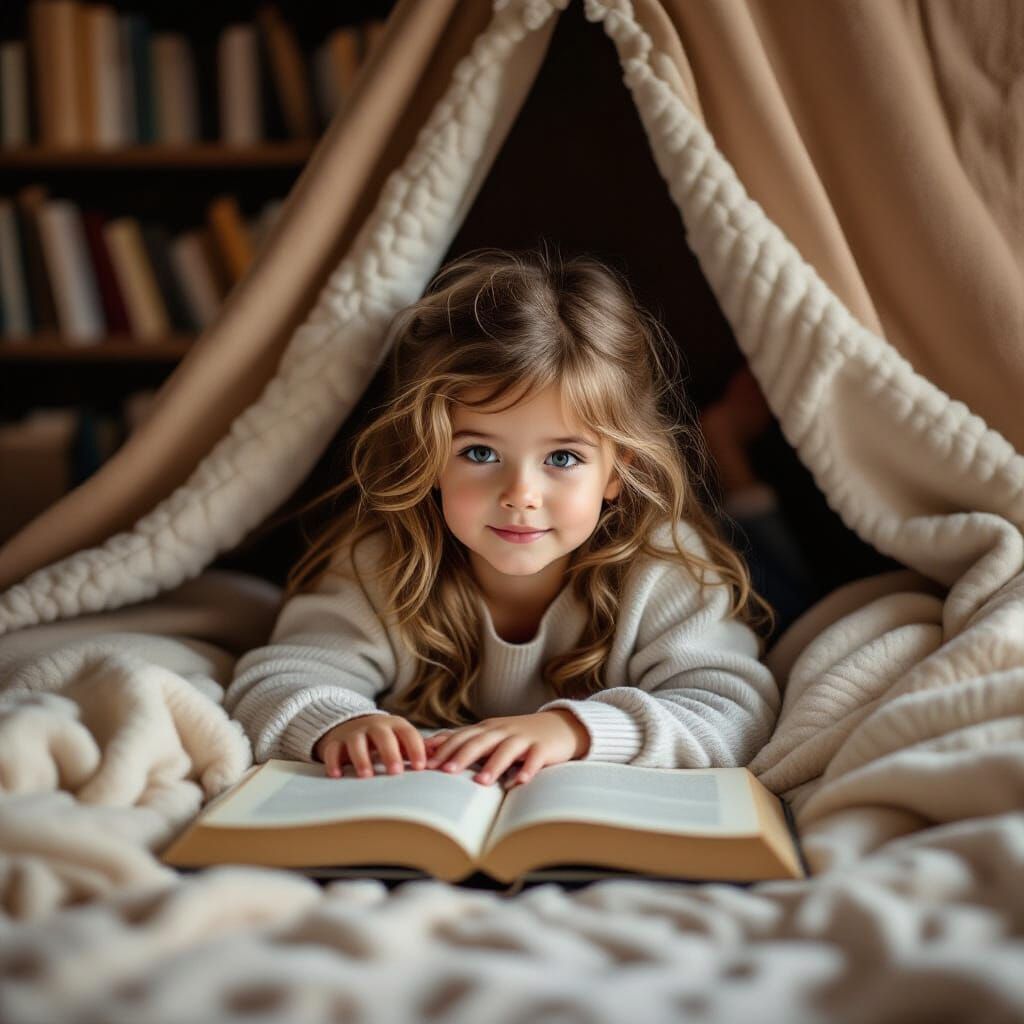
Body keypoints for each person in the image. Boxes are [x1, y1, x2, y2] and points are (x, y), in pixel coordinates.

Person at [224, 246, 780, 791]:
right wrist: (340, 722)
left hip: (756, 565)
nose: (520, 495)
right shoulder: (383, 559)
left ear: (616, 472)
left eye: (562, 458)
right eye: (480, 453)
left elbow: (735, 711)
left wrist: (572, 731)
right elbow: (278, 679)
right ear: (430, 457)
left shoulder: (659, 564)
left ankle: (727, 447)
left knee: (771, 562)